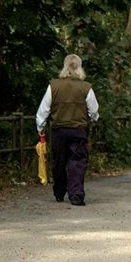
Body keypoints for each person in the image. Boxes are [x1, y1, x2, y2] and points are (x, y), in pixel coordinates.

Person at [36, 54, 99, 206]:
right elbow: (94, 110)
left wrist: (40, 127)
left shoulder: (53, 86)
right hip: (78, 129)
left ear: (64, 67)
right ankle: (76, 194)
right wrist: (93, 118)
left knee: (59, 160)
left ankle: (59, 192)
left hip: (59, 130)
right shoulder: (86, 87)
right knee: (77, 161)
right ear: (80, 67)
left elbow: (44, 109)